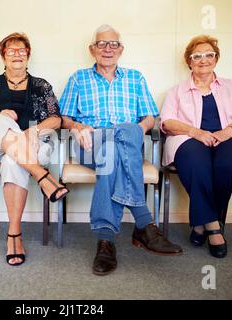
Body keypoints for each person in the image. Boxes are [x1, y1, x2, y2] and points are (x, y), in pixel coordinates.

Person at [59, 24, 182, 276]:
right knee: (110, 151)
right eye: (102, 44)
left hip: (128, 140)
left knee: (122, 136)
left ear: (121, 49)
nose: (108, 49)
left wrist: (134, 130)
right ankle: (144, 223)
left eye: (113, 44)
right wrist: (78, 126)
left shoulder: (135, 78)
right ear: (92, 49)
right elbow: (64, 119)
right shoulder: (78, 78)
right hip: (91, 143)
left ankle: (106, 242)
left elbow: (149, 118)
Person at [160, 35, 232, 258]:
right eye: (196, 56)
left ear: (216, 59)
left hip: (229, 139)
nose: (203, 59)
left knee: (227, 167)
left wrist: (228, 131)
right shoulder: (177, 91)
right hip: (189, 140)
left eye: (209, 54)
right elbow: (167, 122)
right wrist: (196, 132)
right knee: (197, 163)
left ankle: (200, 224)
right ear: (189, 61)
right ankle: (213, 226)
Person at [0, 32, 68, 266]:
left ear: (28, 55)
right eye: (10, 51)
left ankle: (14, 234)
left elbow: (56, 120)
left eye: (21, 50)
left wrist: (33, 131)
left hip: (33, 145)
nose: (16, 54)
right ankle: (42, 176)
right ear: (3, 57)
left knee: (13, 161)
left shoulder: (41, 86)